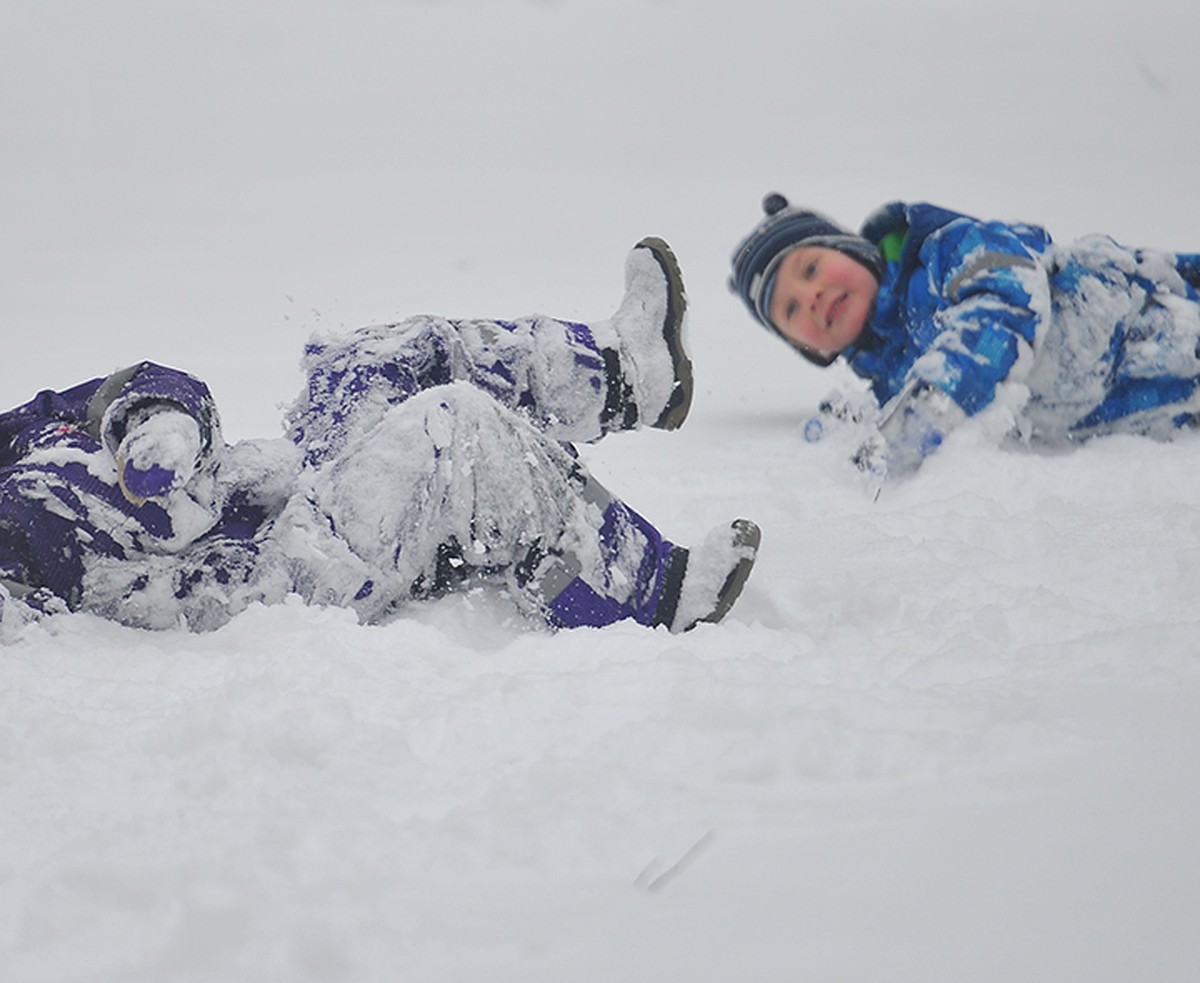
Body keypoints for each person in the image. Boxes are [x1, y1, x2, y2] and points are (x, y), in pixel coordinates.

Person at [0, 239, 760, 639]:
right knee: (451, 429)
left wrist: (159, 414)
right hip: (263, 583)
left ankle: (631, 372)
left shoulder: (19, 431)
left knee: (360, 361)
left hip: (276, 489)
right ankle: (659, 594)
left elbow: (129, 385)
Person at [729, 193, 1200, 477]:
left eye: (810, 267)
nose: (810, 295)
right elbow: (873, 419)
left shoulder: (945, 253)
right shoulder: (889, 377)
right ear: (809, 348)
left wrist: (931, 407)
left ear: (853, 250)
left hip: (1156, 326)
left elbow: (1005, 303)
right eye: (789, 309)